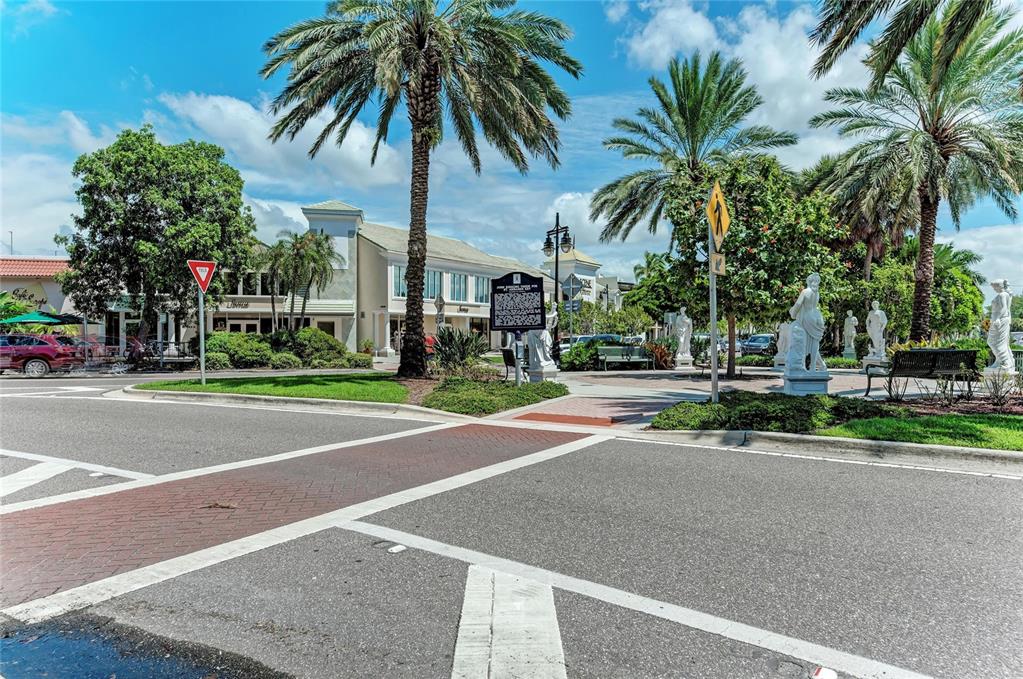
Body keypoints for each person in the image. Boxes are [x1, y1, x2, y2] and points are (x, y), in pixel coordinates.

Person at [787, 272, 826, 373]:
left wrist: (793, 314)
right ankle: (814, 367)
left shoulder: (805, 291)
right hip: (817, 317)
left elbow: (798, 304)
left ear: (808, 281)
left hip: (807, 318)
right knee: (814, 343)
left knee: (803, 343)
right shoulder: (816, 293)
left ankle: (803, 365)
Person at [986, 279, 1015, 373]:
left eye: (994, 287)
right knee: (993, 341)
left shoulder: (1003, 294)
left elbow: (1004, 308)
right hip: (998, 319)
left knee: (996, 342)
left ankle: (1005, 362)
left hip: (1000, 320)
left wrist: (997, 318)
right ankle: (999, 361)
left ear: (999, 286)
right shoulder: (1003, 294)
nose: (994, 289)